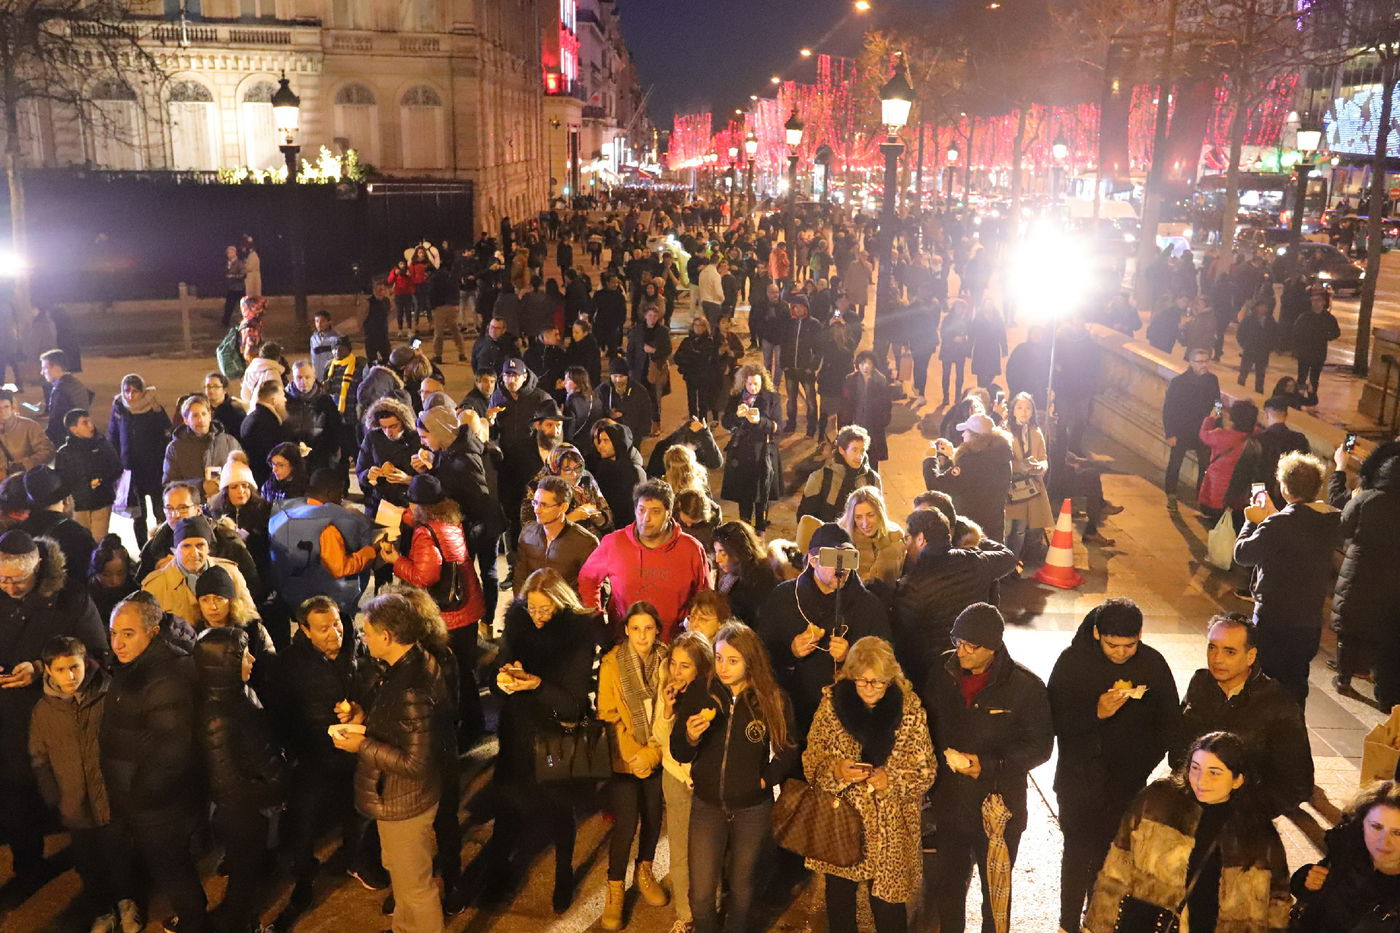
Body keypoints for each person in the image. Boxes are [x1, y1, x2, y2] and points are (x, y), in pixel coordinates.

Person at [1047, 599, 1181, 932]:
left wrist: (1147, 764)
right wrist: (1096, 713)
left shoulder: (1152, 664)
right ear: (1096, 634)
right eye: (1112, 645)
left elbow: (1169, 722)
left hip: (1127, 782)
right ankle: (1067, 923)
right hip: (1079, 779)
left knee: (1110, 854)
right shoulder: (1073, 663)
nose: (1121, 653)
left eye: (1129, 646)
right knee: (1077, 851)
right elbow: (1052, 720)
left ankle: (1096, 918)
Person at [922, 602, 1054, 933]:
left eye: (972, 646)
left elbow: (1040, 748)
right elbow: (924, 724)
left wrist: (988, 765)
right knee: (948, 886)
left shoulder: (1026, 687)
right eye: (958, 641)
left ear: (993, 648)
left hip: (998, 809)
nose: (962, 651)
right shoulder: (942, 672)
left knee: (994, 894)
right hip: (950, 804)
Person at [472, 569, 597, 914]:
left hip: (555, 738)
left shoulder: (576, 637)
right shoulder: (517, 624)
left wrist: (536, 685)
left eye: (546, 610)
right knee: (508, 805)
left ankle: (563, 874)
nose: (538, 616)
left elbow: (573, 703)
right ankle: (496, 876)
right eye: (533, 608)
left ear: (560, 604)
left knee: (559, 810)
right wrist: (502, 681)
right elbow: (497, 680)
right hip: (517, 732)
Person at [1084, 731, 1292, 933]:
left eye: (1214, 773)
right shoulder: (1158, 802)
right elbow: (1116, 869)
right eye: (1195, 768)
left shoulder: (1258, 834)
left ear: (1238, 779)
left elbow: (1276, 903)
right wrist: (1097, 925)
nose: (1201, 781)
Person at [801, 637, 936, 933]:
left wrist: (892, 779)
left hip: (890, 824)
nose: (870, 688)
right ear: (850, 677)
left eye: (878, 682)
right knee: (839, 899)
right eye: (862, 681)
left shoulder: (909, 709)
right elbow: (812, 759)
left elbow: (926, 769)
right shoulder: (832, 705)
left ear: (891, 678)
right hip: (843, 819)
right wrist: (838, 770)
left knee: (889, 907)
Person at [329, 593, 445, 933]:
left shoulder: (410, 686)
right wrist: (363, 719)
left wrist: (362, 743)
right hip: (396, 796)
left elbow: (414, 763)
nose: (363, 639)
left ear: (387, 637)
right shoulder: (407, 666)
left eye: (367, 633)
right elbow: (404, 731)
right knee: (399, 872)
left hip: (405, 801)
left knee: (416, 888)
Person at [672, 621, 798, 933]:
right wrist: (689, 735)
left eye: (732, 660)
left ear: (750, 661)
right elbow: (679, 751)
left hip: (752, 809)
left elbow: (788, 750)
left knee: (742, 890)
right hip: (707, 805)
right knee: (700, 895)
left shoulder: (772, 698)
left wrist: (764, 780)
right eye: (718, 658)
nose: (723, 668)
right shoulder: (701, 691)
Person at [0, 528, 108, 893]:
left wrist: (40, 669)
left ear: (39, 566)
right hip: (7, 721)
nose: (9, 588)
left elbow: (96, 653)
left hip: (55, 716)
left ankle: (94, 875)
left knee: (67, 797)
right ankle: (28, 866)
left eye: (18, 580)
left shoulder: (70, 598)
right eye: (2, 579)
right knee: (15, 797)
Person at [268, 596, 380, 926]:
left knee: (358, 810)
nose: (334, 633)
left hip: (355, 747)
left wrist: (359, 709)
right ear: (305, 630)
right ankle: (304, 879)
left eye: (335, 624)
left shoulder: (356, 647)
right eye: (323, 628)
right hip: (314, 756)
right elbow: (280, 714)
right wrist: (297, 749)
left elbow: (372, 685)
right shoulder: (290, 664)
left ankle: (357, 858)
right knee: (305, 822)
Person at [100, 595, 208, 933]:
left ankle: (196, 924)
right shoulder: (136, 665)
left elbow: (172, 754)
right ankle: (193, 916)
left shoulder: (165, 678)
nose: (117, 643)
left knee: (172, 870)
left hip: (158, 804)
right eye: (113, 632)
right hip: (144, 799)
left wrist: (139, 796)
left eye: (128, 634)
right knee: (170, 867)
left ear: (153, 631)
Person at [29, 634, 142, 933]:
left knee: (119, 856)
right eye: (62, 669)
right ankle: (102, 910)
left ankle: (127, 904)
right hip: (74, 804)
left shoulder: (108, 696)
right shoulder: (44, 711)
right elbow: (39, 756)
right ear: (49, 671)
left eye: (75, 668)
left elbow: (130, 741)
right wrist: (54, 797)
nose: (70, 676)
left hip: (111, 797)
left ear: (85, 664)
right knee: (89, 862)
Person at [192, 625, 286, 933]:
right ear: (223, 663)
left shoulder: (237, 694)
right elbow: (227, 780)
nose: (252, 660)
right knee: (246, 877)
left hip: (251, 804)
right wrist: (269, 792)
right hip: (243, 812)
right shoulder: (219, 713)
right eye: (243, 655)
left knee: (247, 872)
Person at [760, 521, 892, 739]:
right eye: (833, 559)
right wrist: (790, 650)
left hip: (845, 718)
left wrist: (851, 658)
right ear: (813, 560)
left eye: (848, 558)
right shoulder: (784, 598)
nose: (841, 568)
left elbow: (886, 662)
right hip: (794, 712)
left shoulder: (869, 606)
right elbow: (761, 654)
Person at [1172, 614, 1313, 816]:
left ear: (1250, 656)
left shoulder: (1277, 703)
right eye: (1212, 647)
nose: (1217, 659)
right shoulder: (1201, 683)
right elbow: (1180, 741)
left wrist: (1249, 812)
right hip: (1192, 806)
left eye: (1229, 652)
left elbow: (1296, 781)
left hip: (1243, 816)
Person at [1232, 452, 1340, 706]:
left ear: (1284, 487)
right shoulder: (1330, 519)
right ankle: (1293, 732)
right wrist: (1272, 516)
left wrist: (1252, 522)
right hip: (1308, 622)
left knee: (1266, 681)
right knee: (1295, 682)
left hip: (1275, 619)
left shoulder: (1278, 525)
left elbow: (1243, 554)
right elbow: (1297, 529)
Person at [597, 602, 671, 930]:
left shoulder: (667, 661)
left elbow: (671, 711)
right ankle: (615, 888)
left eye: (649, 628)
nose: (642, 635)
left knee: (654, 817)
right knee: (626, 823)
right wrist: (634, 755)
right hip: (625, 758)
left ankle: (645, 870)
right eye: (636, 628)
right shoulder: (612, 663)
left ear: (658, 631)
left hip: (656, 754)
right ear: (626, 630)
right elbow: (608, 713)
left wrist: (652, 754)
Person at [578, 478, 710, 639]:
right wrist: (596, 618)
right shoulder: (614, 543)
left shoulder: (691, 550)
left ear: (668, 513)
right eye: (641, 510)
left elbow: (704, 598)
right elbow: (588, 579)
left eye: (655, 511)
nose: (646, 518)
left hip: (673, 648)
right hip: (624, 644)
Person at [652, 630, 714, 933]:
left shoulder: (710, 695)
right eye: (674, 664)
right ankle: (686, 915)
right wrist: (666, 709)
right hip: (675, 778)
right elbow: (660, 738)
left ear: (701, 669)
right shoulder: (666, 690)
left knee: (709, 850)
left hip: (705, 782)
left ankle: (709, 909)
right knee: (680, 851)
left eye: (685, 666)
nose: (676, 672)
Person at [1329, 444, 1400, 702]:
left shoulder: (1367, 498)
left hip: (1359, 570)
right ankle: (1381, 684)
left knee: (1349, 627)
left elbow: (1343, 528)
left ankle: (1343, 677)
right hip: (1394, 577)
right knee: (1384, 630)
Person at [1290, 780, 1400, 931]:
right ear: (1362, 825)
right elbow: (1310, 893)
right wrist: (1306, 881)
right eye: (1376, 827)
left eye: (1397, 833)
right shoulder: (1348, 853)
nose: (1384, 841)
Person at [141, 515, 257, 625]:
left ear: (209, 548)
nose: (194, 553)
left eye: (200, 545)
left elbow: (250, 616)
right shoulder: (155, 586)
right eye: (186, 546)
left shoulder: (231, 572)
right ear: (175, 550)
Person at [924, 412, 1014, 545]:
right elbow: (971, 479)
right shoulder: (1003, 458)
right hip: (994, 530)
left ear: (975, 437)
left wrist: (930, 459)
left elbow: (936, 486)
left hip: (970, 534)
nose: (962, 435)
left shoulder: (970, 463)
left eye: (966, 431)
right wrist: (952, 457)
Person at [720, 364, 783, 532]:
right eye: (749, 384)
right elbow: (725, 422)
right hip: (741, 450)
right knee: (743, 491)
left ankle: (761, 525)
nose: (753, 388)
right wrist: (736, 416)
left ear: (762, 382)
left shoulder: (772, 398)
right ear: (743, 382)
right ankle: (745, 525)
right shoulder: (736, 398)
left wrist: (760, 421)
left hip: (763, 450)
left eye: (756, 384)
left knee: (762, 490)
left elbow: (779, 426)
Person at [1224, 395, 1310, 512]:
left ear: (1266, 414)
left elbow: (1242, 472)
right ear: (1286, 415)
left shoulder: (1257, 440)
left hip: (1260, 498)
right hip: (1288, 500)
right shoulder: (1300, 440)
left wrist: (1229, 499)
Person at [517, 473, 599, 589]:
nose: (537, 510)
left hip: (569, 605)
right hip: (533, 605)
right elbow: (520, 579)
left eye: (544, 505)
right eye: (535, 503)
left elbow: (596, 587)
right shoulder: (527, 533)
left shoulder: (585, 542)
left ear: (563, 507)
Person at [1162, 349, 1220, 510]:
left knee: (1205, 466)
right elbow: (1168, 409)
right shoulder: (1178, 382)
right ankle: (1171, 496)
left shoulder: (1212, 380)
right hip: (1182, 430)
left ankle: (1200, 499)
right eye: (1200, 361)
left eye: (1206, 361)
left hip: (1204, 431)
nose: (1204, 365)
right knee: (1175, 463)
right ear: (1191, 362)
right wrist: (1170, 433)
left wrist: (1218, 417)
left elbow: (1218, 402)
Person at [54, 409, 122, 541]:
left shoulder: (102, 445)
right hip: (78, 505)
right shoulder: (64, 453)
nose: (91, 426)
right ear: (74, 429)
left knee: (98, 540)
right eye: (85, 423)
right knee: (81, 541)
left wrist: (102, 479)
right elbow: (61, 480)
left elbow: (116, 468)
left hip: (102, 501)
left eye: (90, 421)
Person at [1003, 392, 1054, 566]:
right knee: (1007, 529)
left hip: (1028, 489)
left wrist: (1041, 466)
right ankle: (1001, 566)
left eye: (1028, 408)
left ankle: (1012, 564)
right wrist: (1020, 466)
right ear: (1013, 410)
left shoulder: (1036, 433)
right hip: (1010, 488)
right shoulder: (1005, 431)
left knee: (1019, 531)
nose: (1024, 412)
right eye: (1019, 407)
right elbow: (1001, 460)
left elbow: (1044, 457)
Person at [797, 425, 881, 525]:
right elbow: (805, 520)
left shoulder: (872, 479)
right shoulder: (820, 478)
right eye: (854, 450)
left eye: (862, 450)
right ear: (842, 450)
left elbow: (879, 517)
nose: (859, 456)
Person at [162, 393, 242, 491]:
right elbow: (169, 484)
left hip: (224, 502)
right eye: (195, 416)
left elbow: (242, 474)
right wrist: (201, 485)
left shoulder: (229, 442)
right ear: (186, 420)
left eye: (204, 414)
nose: (201, 420)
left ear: (210, 416)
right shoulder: (175, 448)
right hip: (192, 503)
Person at [355, 396, 419, 516]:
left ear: (404, 422)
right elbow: (361, 470)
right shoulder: (373, 438)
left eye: (393, 426)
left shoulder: (417, 439)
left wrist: (408, 480)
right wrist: (368, 475)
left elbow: (430, 479)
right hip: (379, 503)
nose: (388, 432)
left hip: (409, 504)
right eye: (384, 427)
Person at [1197, 399, 1258, 523]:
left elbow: (1204, 434)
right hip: (1238, 495)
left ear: (1233, 418)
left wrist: (1212, 417)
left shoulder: (1220, 435)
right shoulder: (1254, 438)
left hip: (1215, 494)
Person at [712, 520, 778, 626]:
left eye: (723, 553)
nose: (717, 559)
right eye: (716, 552)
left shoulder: (759, 581)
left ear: (738, 552)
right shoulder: (731, 574)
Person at [840, 351, 893, 467]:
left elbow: (886, 404)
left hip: (873, 427)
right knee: (854, 459)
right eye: (863, 363)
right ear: (858, 364)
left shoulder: (880, 381)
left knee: (872, 461)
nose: (866, 367)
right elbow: (845, 403)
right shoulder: (851, 380)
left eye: (869, 363)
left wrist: (883, 420)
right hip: (855, 425)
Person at [1292, 288, 1340, 403]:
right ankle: (1299, 397)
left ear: (1323, 302)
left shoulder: (1329, 318)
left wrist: (1326, 336)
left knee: (1314, 377)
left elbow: (1336, 333)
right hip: (1304, 352)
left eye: (1318, 300)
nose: (1315, 303)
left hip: (1318, 352)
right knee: (1302, 377)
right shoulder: (1305, 316)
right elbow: (1296, 331)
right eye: (1313, 300)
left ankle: (1312, 396)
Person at [39, 348, 94, 447]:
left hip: (67, 443)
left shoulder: (60, 390)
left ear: (56, 367)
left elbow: (55, 426)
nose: (42, 372)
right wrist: (51, 406)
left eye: (44, 368)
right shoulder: (75, 383)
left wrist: (40, 440)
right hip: (80, 435)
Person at [674, 315, 723, 422]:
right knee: (691, 400)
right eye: (696, 325)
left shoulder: (709, 342)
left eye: (701, 325)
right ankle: (693, 420)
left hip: (703, 375)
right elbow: (677, 357)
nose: (698, 327)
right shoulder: (687, 341)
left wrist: (689, 357)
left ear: (705, 327)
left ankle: (702, 421)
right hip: (690, 375)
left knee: (703, 400)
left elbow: (705, 358)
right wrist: (689, 360)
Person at [0, 387, 54, 475]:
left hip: (24, 480)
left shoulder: (29, 426)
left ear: (12, 407)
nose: (2, 411)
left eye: (6, 407)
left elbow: (47, 452)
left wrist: (22, 466)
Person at [1236, 298, 1279, 394]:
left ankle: (1259, 392)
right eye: (1261, 306)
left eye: (1265, 307)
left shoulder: (1270, 320)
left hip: (1263, 352)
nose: (1263, 309)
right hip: (1249, 350)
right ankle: (1239, 390)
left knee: (1260, 375)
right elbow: (1240, 333)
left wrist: (1271, 347)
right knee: (1244, 373)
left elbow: (1275, 334)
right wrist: (1245, 345)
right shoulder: (1248, 319)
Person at [937, 298, 971, 404]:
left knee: (960, 375)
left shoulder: (966, 320)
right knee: (946, 374)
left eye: (962, 308)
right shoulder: (948, 319)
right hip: (948, 349)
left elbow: (970, 333)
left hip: (960, 351)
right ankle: (945, 397)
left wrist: (964, 339)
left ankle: (957, 396)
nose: (960, 310)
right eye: (958, 307)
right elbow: (943, 332)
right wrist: (953, 338)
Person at [204, 372, 248, 441]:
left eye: (215, 386)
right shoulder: (203, 410)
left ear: (224, 390)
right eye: (208, 386)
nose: (211, 390)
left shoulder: (235, 412)